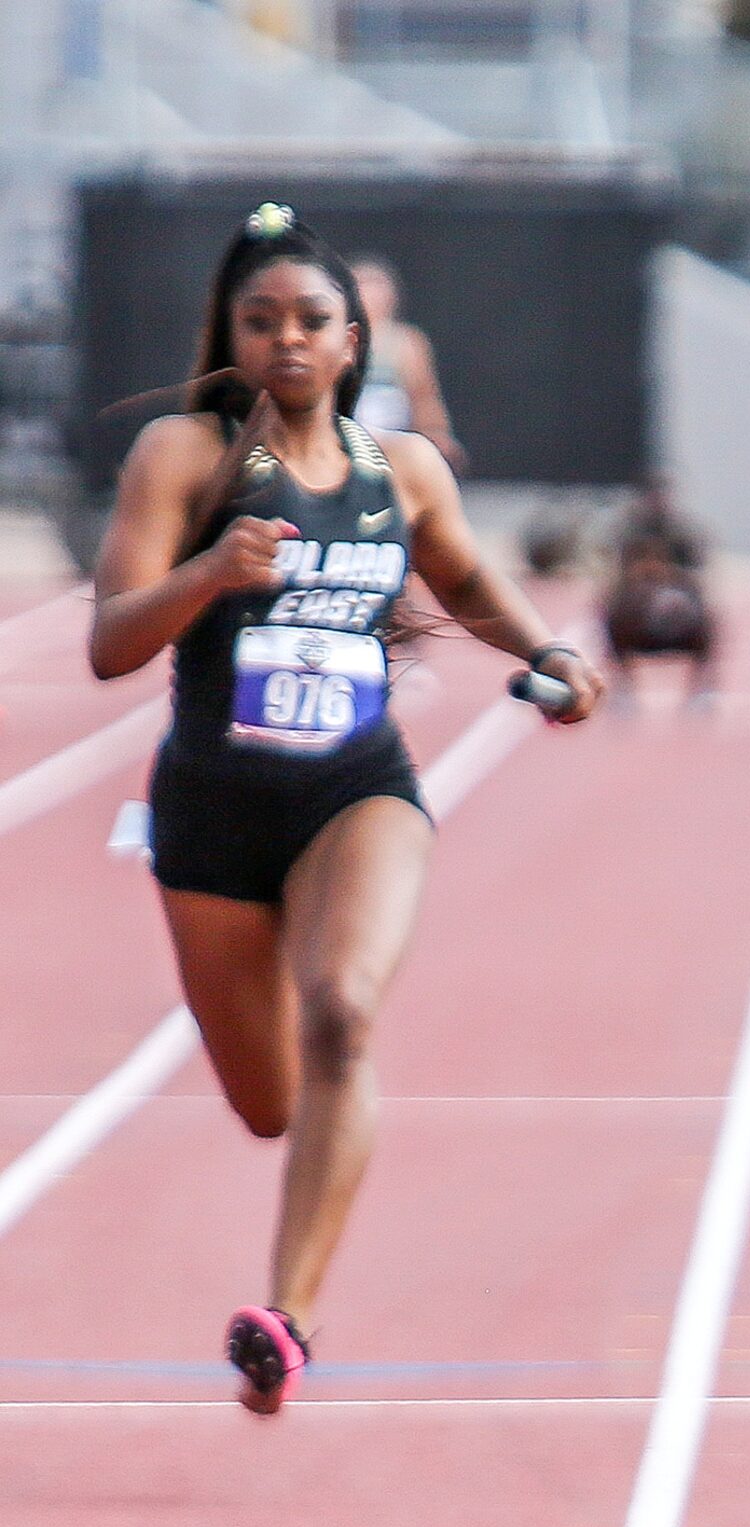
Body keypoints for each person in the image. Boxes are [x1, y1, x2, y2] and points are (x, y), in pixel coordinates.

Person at [83, 204, 601, 1415]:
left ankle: (287, 1322)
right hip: (210, 811)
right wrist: (214, 570)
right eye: (260, 321)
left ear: (356, 340)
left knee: (345, 1015)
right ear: (232, 333)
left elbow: (466, 578)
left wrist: (550, 654)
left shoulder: (399, 472)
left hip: (354, 788)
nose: (288, 342)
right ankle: (292, 1273)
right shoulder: (184, 457)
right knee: (269, 1106)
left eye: (311, 320)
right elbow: (111, 643)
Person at [601, 474, 719, 704]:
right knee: (610, 610)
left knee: (705, 614)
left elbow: (698, 565)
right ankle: (623, 683)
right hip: (637, 591)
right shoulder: (630, 528)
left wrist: (669, 573)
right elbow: (616, 562)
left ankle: (702, 688)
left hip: (674, 589)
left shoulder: (682, 529)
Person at [344, 257, 461, 469]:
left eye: (377, 286)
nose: (371, 295)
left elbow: (424, 397)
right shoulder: (334, 339)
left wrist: (437, 434)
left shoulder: (407, 342)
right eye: (363, 285)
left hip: (393, 443)